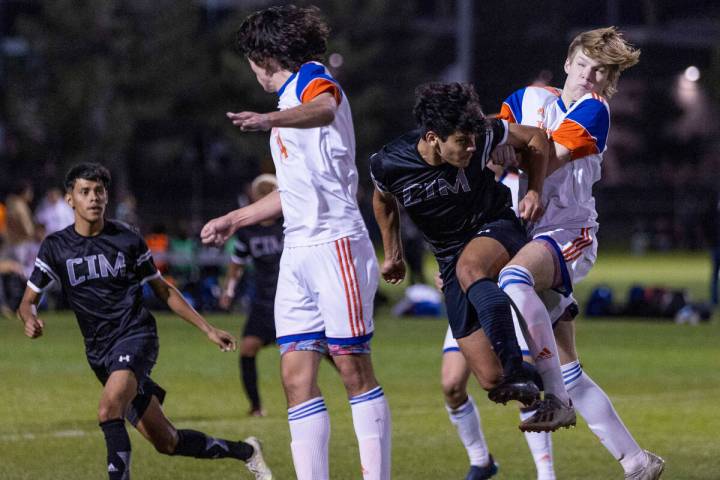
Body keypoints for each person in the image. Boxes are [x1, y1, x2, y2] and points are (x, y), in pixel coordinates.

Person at [200, 6, 391, 480]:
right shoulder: (290, 101)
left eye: (250, 59)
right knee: (295, 376)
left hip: (337, 243)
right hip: (298, 251)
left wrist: (269, 120)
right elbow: (293, 191)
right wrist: (236, 218)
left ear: (264, 56)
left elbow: (326, 107)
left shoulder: (311, 78)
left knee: (351, 368)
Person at [17, 163, 272, 480]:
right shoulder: (56, 247)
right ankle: (246, 451)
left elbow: (163, 290)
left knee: (108, 409)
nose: (94, 197)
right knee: (167, 441)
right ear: (70, 199)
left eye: (99, 191)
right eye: (85, 192)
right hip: (100, 353)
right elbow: (27, 302)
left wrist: (208, 328)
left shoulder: (126, 239)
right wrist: (31, 318)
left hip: (136, 337)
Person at [494, 27, 664, 479]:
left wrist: (518, 165)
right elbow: (495, 145)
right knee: (567, 366)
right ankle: (636, 461)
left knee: (512, 282)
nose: (589, 76)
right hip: (527, 237)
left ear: (608, 81)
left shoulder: (594, 110)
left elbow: (546, 157)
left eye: (601, 72)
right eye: (584, 65)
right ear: (568, 62)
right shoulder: (528, 98)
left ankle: (548, 394)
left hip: (569, 233)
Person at [370, 82, 567, 432]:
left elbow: (536, 138)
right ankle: (550, 380)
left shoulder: (484, 135)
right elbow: (383, 200)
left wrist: (534, 190)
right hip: (448, 257)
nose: (473, 147)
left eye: (474, 139)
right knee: (492, 380)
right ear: (433, 138)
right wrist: (393, 254)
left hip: (496, 227)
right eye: (462, 142)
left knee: (471, 267)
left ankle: (525, 367)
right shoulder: (389, 163)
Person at [219, 174, 283, 417]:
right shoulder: (248, 232)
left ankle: (354, 384)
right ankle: (256, 407)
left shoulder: (289, 224)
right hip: (264, 301)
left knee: (320, 349)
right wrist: (229, 290)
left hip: (291, 298)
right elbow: (237, 264)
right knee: (247, 349)